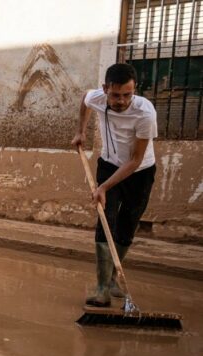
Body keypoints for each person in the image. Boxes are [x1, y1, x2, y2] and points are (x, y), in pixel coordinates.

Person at [72, 63, 156, 308]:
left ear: (135, 90)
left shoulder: (145, 114)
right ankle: (102, 289)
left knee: (127, 224)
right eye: (116, 95)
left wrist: (103, 188)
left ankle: (112, 279)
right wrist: (81, 131)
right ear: (105, 89)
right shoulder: (96, 97)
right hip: (109, 164)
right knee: (105, 220)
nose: (121, 101)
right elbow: (84, 101)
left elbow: (135, 160)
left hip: (139, 172)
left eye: (127, 95)